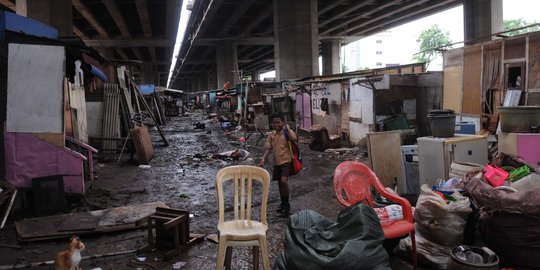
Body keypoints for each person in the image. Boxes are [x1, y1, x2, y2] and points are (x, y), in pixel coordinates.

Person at [259, 114, 297, 217]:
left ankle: (287, 206)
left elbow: (294, 138)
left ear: (283, 122)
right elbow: (268, 148)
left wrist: (288, 128)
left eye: (278, 122)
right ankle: (283, 203)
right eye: (274, 122)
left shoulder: (286, 133)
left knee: (284, 181)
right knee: (280, 184)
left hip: (287, 161)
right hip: (277, 162)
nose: (276, 124)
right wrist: (263, 158)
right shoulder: (272, 135)